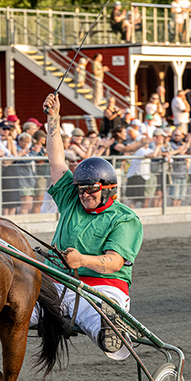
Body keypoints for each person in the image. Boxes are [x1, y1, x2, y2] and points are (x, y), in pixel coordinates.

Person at [34, 92, 143, 358]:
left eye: (91, 189)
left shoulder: (125, 219)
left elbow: (115, 262)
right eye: (81, 189)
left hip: (104, 287)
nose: (84, 195)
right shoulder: (72, 199)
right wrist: (54, 119)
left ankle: (109, 327)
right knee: (16, 300)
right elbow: (57, 161)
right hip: (57, 284)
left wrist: (81, 259)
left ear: (108, 189)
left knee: (90, 311)